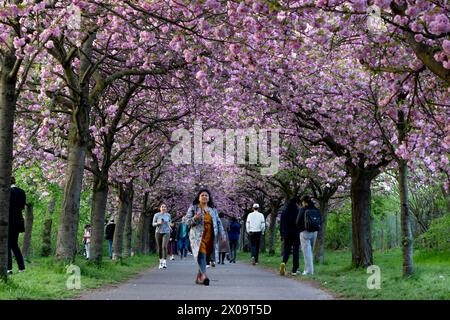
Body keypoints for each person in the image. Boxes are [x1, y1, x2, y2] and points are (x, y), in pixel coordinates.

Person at [183, 189, 225, 286]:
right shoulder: (193, 208)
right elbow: (186, 221)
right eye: (202, 195)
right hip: (197, 237)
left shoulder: (213, 210)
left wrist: (222, 234)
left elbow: (218, 222)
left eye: (206, 195)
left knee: (205, 257)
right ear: (199, 197)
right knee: (201, 255)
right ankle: (204, 276)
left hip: (210, 237)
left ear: (209, 198)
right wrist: (194, 218)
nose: (204, 197)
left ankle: (199, 278)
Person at [296, 195, 320, 275]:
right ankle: (309, 270)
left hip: (305, 232)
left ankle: (308, 271)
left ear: (304, 202)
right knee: (310, 252)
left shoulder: (303, 209)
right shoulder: (316, 209)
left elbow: (298, 221)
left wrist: (301, 229)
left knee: (307, 252)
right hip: (314, 232)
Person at [7, 177, 26, 274]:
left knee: (7, 245)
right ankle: (21, 268)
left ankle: (8, 269)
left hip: (8, 221)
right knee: (14, 245)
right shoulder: (21, 192)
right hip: (18, 221)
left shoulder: (7, 192)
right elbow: (22, 206)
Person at [279, 197, 301, 276]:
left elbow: (281, 224)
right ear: (296, 203)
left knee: (286, 250)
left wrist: (282, 234)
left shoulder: (284, 211)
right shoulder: (298, 211)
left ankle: (283, 263)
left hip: (286, 234)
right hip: (296, 233)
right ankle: (294, 270)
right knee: (296, 251)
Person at [152, 203, 172, 269]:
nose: (164, 208)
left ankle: (164, 262)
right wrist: (158, 223)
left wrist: (171, 226)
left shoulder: (168, 215)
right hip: (158, 232)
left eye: (165, 207)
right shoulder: (156, 215)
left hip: (166, 232)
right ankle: (160, 262)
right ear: (160, 208)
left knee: (164, 246)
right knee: (160, 247)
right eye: (162, 207)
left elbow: (170, 222)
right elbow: (153, 224)